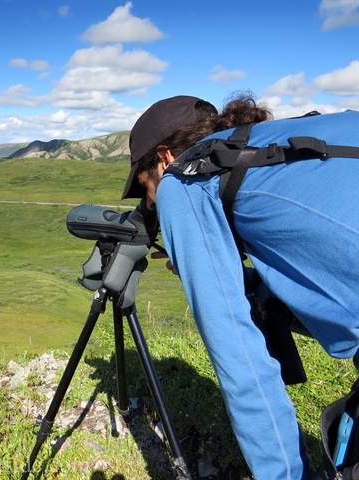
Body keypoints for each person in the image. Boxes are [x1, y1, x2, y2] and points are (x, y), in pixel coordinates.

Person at [122, 94, 359, 479]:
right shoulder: (276, 141)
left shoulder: (184, 178)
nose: (152, 206)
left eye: (148, 190)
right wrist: (239, 279)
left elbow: (241, 362)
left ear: (164, 158)